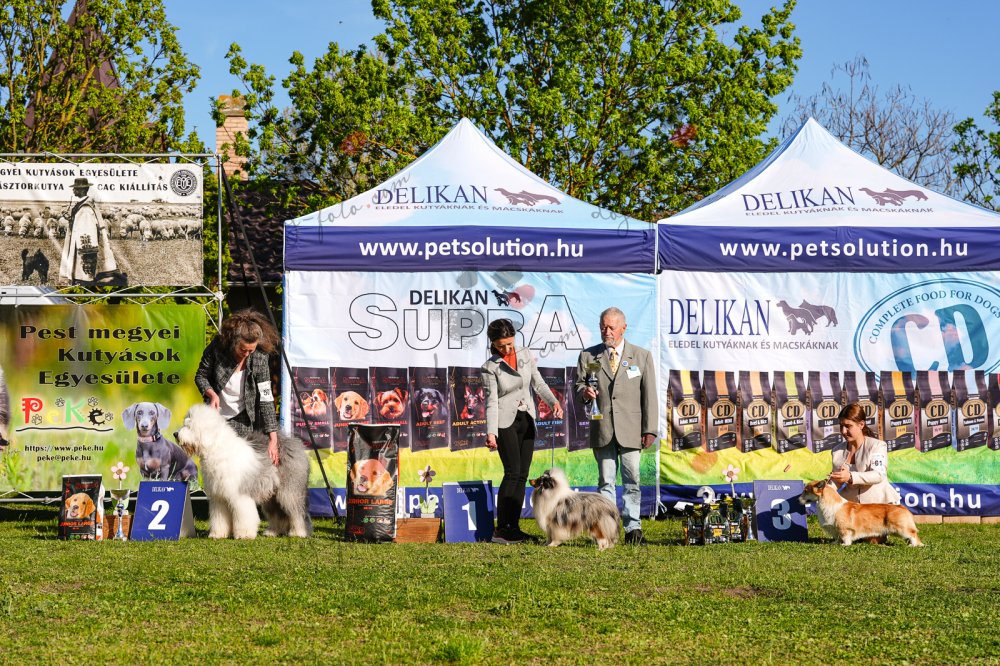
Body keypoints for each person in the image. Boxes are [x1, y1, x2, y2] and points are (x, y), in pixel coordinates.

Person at [575, 307, 658, 545]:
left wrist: (649, 429)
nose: (606, 331)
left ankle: (633, 528)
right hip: (602, 428)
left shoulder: (641, 356)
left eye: (611, 327)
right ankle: (607, 530)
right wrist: (585, 393)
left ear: (623, 328)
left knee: (632, 481)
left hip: (632, 429)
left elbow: (649, 396)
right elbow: (578, 387)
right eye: (603, 327)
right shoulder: (588, 356)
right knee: (606, 481)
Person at [482, 318, 564, 545]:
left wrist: (553, 402)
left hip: (526, 418)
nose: (507, 349)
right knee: (512, 472)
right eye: (501, 346)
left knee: (522, 474)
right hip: (504, 421)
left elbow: (538, 383)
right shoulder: (490, 367)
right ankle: (502, 529)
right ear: (493, 343)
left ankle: (514, 527)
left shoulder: (525, 354)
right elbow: (491, 401)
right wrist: (491, 432)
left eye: (510, 343)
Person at [195, 309, 281, 466]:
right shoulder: (217, 348)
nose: (247, 354)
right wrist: (212, 394)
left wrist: (273, 439)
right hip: (216, 417)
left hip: (244, 418)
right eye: (243, 349)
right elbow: (201, 376)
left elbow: (266, 397)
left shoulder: (260, 356)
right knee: (214, 464)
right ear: (234, 342)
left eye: (251, 350)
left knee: (240, 465)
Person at [58, 177, 126, 286]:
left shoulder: (86, 208)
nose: (73, 190)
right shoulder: (84, 204)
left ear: (82, 190)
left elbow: (88, 228)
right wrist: (71, 219)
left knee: (83, 272)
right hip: (79, 241)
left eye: (75, 188)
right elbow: (80, 222)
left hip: (83, 245)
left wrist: (87, 252)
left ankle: (85, 283)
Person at [830, 403, 900, 504]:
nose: (843, 431)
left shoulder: (877, 445)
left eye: (848, 426)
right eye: (841, 426)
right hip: (853, 508)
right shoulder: (836, 451)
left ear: (861, 425)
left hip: (881, 506)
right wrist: (823, 487)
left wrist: (850, 476)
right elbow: (837, 481)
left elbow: (878, 475)